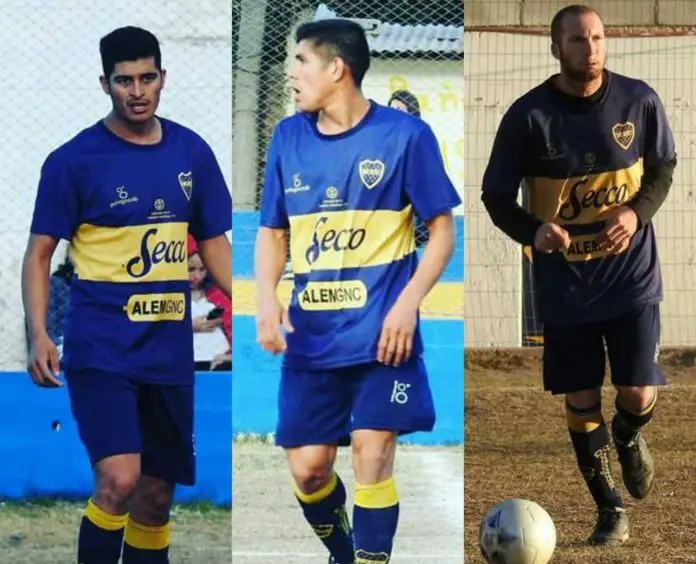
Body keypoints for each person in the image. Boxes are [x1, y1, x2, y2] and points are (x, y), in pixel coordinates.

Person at [21, 26, 232, 564]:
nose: (137, 91)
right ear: (105, 84)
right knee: (119, 480)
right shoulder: (73, 161)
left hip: (168, 352)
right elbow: (39, 255)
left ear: (163, 78)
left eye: (146, 78)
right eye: (124, 81)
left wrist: (258, 309)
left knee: (155, 500)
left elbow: (213, 243)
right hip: (102, 350)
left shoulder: (191, 152)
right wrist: (39, 334)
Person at [254, 18, 461, 564]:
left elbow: (442, 230)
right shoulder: (288, 137)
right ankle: (344, 554)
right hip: (311, 339)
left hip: (380, 337)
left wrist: (407, 304)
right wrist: (266, 300)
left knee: (373, 452)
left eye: (301, 61)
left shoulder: (405, 136)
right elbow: (272, 231)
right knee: (309, 470)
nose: (291, 72)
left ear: (336, 69)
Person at [481, 4, 677, 547]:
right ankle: (610, 509)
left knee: (637, 391)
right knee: (582, 397)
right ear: (555, 48)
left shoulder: (638, 100)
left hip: (631, 276)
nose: (590, 49)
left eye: (597, 38)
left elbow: (663, 168)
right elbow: (495, 196)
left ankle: (629, 435)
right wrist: (533, 230)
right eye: (577, 40)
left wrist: (635, 213)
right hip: (565, 283)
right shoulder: (527, 117)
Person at [187, 234, 232, 371]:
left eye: (202, 269)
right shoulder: (168, 297)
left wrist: (229, 357)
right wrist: (189, 327)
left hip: (218, 364)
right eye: (190, 269)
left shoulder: (220, 295)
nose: (197, 276)